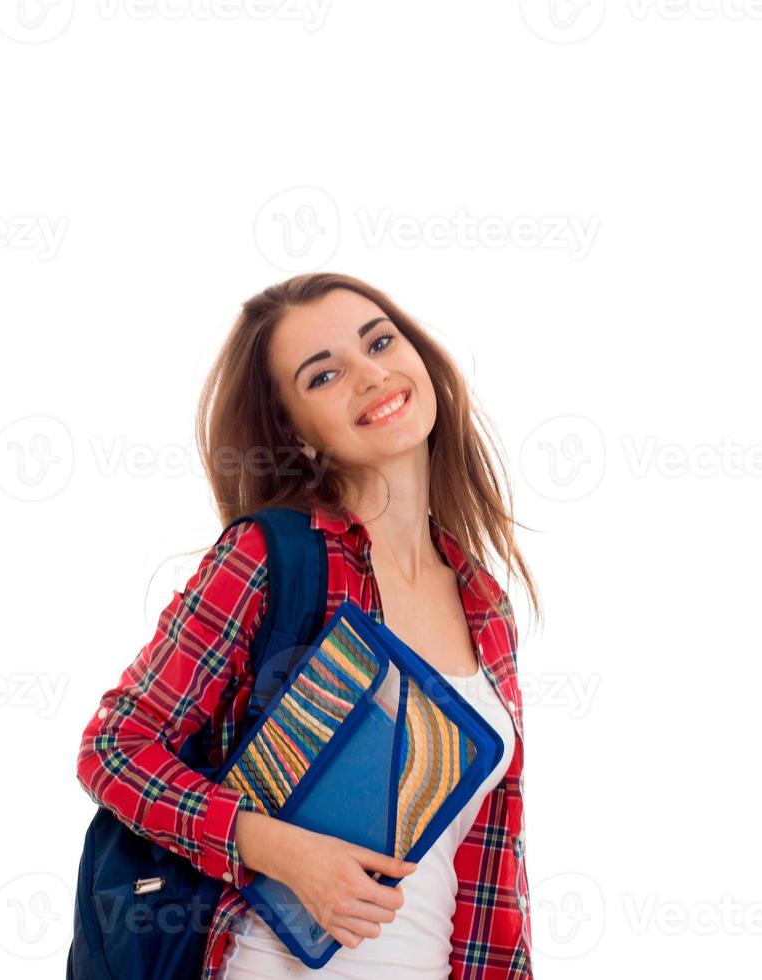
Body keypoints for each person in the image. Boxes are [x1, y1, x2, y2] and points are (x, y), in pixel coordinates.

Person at [76, 272, 541, 979]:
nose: (370, 373)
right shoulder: (271, 557)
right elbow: (114, 748)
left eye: (379, 341)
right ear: (293, 431)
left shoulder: (484, 603)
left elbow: (491, 871)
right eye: (324, 375)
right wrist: (278, 849)